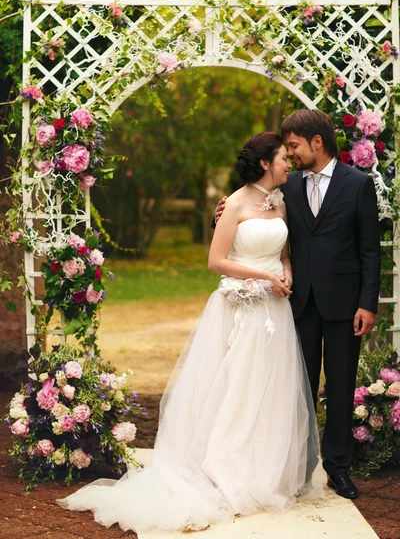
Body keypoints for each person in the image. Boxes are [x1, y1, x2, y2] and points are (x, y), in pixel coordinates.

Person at [58, 132, 323, 534]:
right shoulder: (233, 203)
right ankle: (223, 468)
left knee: (268, 390)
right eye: (284, 157)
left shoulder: (282, 201)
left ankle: (263, 470)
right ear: (266, 163)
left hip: (275, 311)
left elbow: (284, 253)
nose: (290, 162)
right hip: (240, 309)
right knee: (233, 387)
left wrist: (285, 273)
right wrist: (263, 277)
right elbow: (216, 261)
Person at [215, 109, 381, 500]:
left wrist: (368, 303)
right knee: (296, 389)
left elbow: (370, 250)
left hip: (345, 305)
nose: (290, 155)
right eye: (286, 150)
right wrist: (218, 213)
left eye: (294, 146)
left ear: (316, 143)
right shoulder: (284, 187)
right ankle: (298, 469)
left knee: (340, 388)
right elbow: (249, 215)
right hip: (296, 303)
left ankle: (338, 469)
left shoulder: (357, 184)